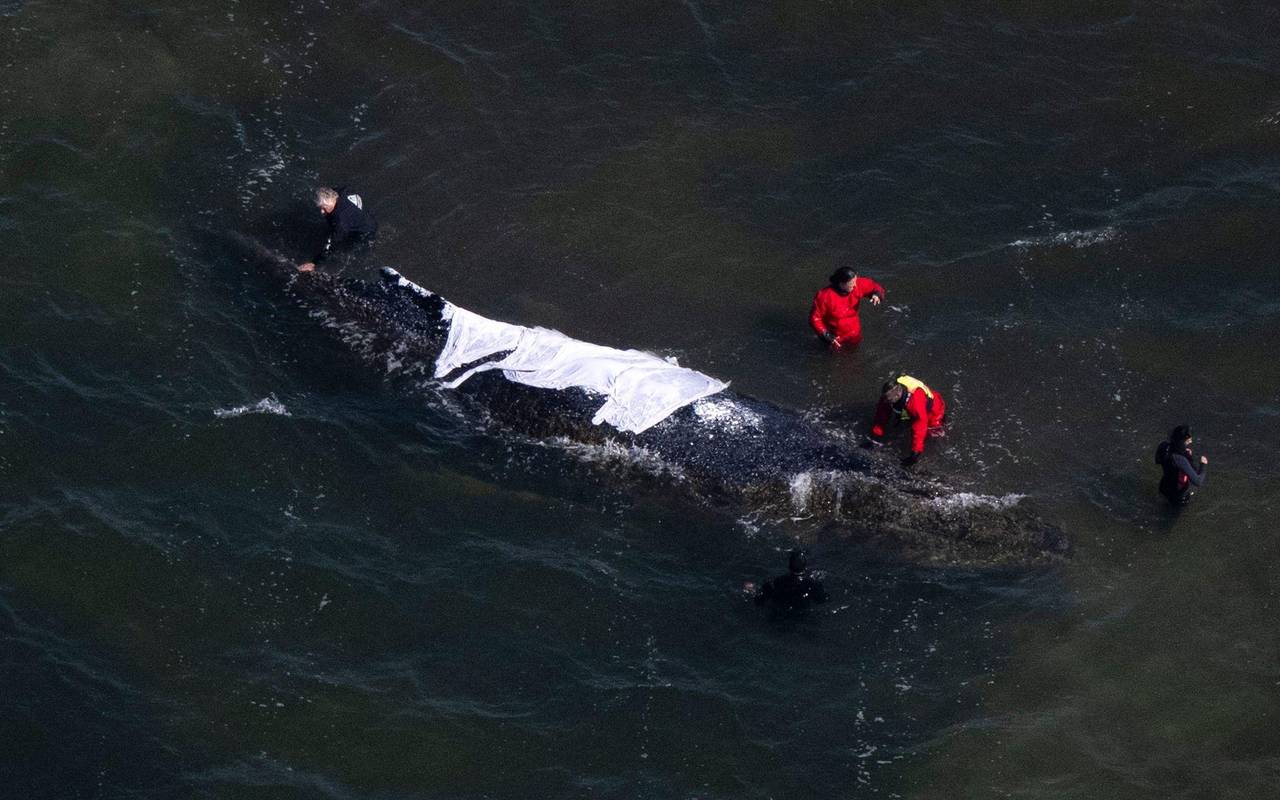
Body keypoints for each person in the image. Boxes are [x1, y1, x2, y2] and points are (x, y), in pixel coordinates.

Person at [863, 375, 946, 467]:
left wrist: (915, 453)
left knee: (933, 432)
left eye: (888, 399)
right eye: (885, 398)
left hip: (933, 411)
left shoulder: (915, 402)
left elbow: (920, 427)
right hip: (906, 408)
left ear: (898, 394)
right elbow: (881, 415)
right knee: (900, 420)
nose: (885, 401)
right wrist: (875, 438)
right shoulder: (889, 396)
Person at [297, 186, 378, 272]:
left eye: (324, 207)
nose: (322, 211)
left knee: (349, 246)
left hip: (366, 231)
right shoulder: (342, 191)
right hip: (366, 217)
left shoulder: (341, 221)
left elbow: (333, 244)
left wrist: (314, 263)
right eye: (320, 207)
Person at [809, 266, 885, 350]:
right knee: (836, 357)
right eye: (852, 283)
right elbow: (815, 318)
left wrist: (876, 295)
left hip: (854, 332)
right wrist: (825, 335)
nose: (855, 285)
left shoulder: (857, 284)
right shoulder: (824, 296)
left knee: (855, 353)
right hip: (835, 336)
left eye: (855, 281)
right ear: (842, 284)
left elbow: (874, 287)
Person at [748, 549, 828, 611]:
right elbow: (822, 600)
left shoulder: (777, 582)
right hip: (802, 616)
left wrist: (753, 590)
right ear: (805, 567)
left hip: (778, 616)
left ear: (789, 567)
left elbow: (759, 601)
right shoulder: (813, 584)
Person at [1155, 424, 1207, 505]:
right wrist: (1203, 465)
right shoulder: (1180, 459)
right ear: (1181, 442)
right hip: (1178, 496)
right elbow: (1198, 481)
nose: (1191, 442)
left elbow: (1157, 460)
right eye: (1187, 441)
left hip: (1164, 488)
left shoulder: (1163, 446)